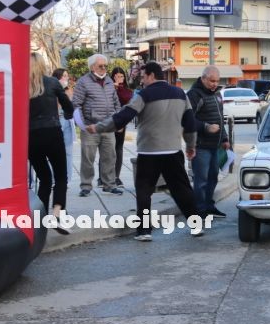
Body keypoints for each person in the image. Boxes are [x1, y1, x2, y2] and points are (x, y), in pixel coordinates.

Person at [87, 62, 204, 241]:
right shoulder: (180, 94)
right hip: (173, 151)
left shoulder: (144, 95)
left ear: (151, 75)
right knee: (182, 189)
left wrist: (99, 127)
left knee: (144, 191)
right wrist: (190, 146)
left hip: (149, 152)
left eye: (143, 77)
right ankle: (196, 226)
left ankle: (144, 231)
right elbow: (189, 123)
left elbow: (123, 116)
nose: (142, 81)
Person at [28, 53, 74, 235]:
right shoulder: (52, 82)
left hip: (31, 136)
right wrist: (68, 115)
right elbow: (68, 106)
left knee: (44, 178)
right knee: (61, 176)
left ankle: (40, 220)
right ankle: (56, 215)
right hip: (52, 132)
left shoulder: (20, 85)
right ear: (42, 65)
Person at [72, 54, 123, 197]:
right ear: (92, 67)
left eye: (105, 66)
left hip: (109, 126)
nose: (104, 68)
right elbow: (76, 104)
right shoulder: (83, 82)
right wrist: (83, 125)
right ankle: (86, 186)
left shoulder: (109, 81)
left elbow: (116, 103)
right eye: (101, 66)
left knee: (110, 157)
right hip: (91, 127)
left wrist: (119, 121)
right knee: (88, 158)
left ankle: (109, 184)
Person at [187, 66, 230, 218]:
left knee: (213, 177)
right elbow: (187, 119)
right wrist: (205, 127)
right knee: (201, 180)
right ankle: (199, 211)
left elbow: (220, 118)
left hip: (216, 145)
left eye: (217, 81)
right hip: (201, 146)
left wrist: (224, 138)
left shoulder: (217, 93)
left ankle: (209, 206)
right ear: (203, 78)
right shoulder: (194, 94)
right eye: (212, 81)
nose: (215, 84)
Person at [51, 68, 75, 186]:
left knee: (68, 152)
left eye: (67, 76)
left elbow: (71, 106)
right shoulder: (51, 89)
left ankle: (67, 179)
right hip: (56, 121)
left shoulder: (69, 90)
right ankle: (54, 179)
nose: (66, 78)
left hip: (67, 121)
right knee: (54, 152)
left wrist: (66, 94)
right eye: (63, 76)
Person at [112, 67, 133, 188]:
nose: (120, 78)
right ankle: (102, 177)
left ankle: (116, 176)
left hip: (120, 122)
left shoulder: (126, 90)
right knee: (106, 149)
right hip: (108, 121)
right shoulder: (108, 87)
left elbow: (125, 98)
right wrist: (113, 87)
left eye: (121, 76)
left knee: (118, 148)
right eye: (117, 76)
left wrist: (119, 87)